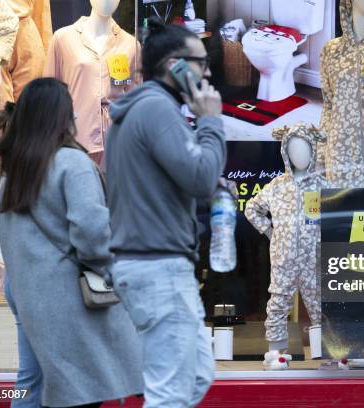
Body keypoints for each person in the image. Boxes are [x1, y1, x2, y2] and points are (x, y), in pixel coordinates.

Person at [0, 78, 143, 408]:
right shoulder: (71, 163)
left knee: (38, 385)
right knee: (80, 392)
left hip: (29, 295)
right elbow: (93, 236)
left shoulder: (11, 173)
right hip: (72, 302)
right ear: (62, 115)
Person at [105, 18, 226, 408]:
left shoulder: (143, 110)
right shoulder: (156, 109)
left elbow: (179, 180)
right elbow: (202, 177)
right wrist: (209, 119)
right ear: (174, 64)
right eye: (201, 62)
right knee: (170, 393)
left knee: (194, 376)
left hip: (151, 266)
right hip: (158, 269)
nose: (207, 73)